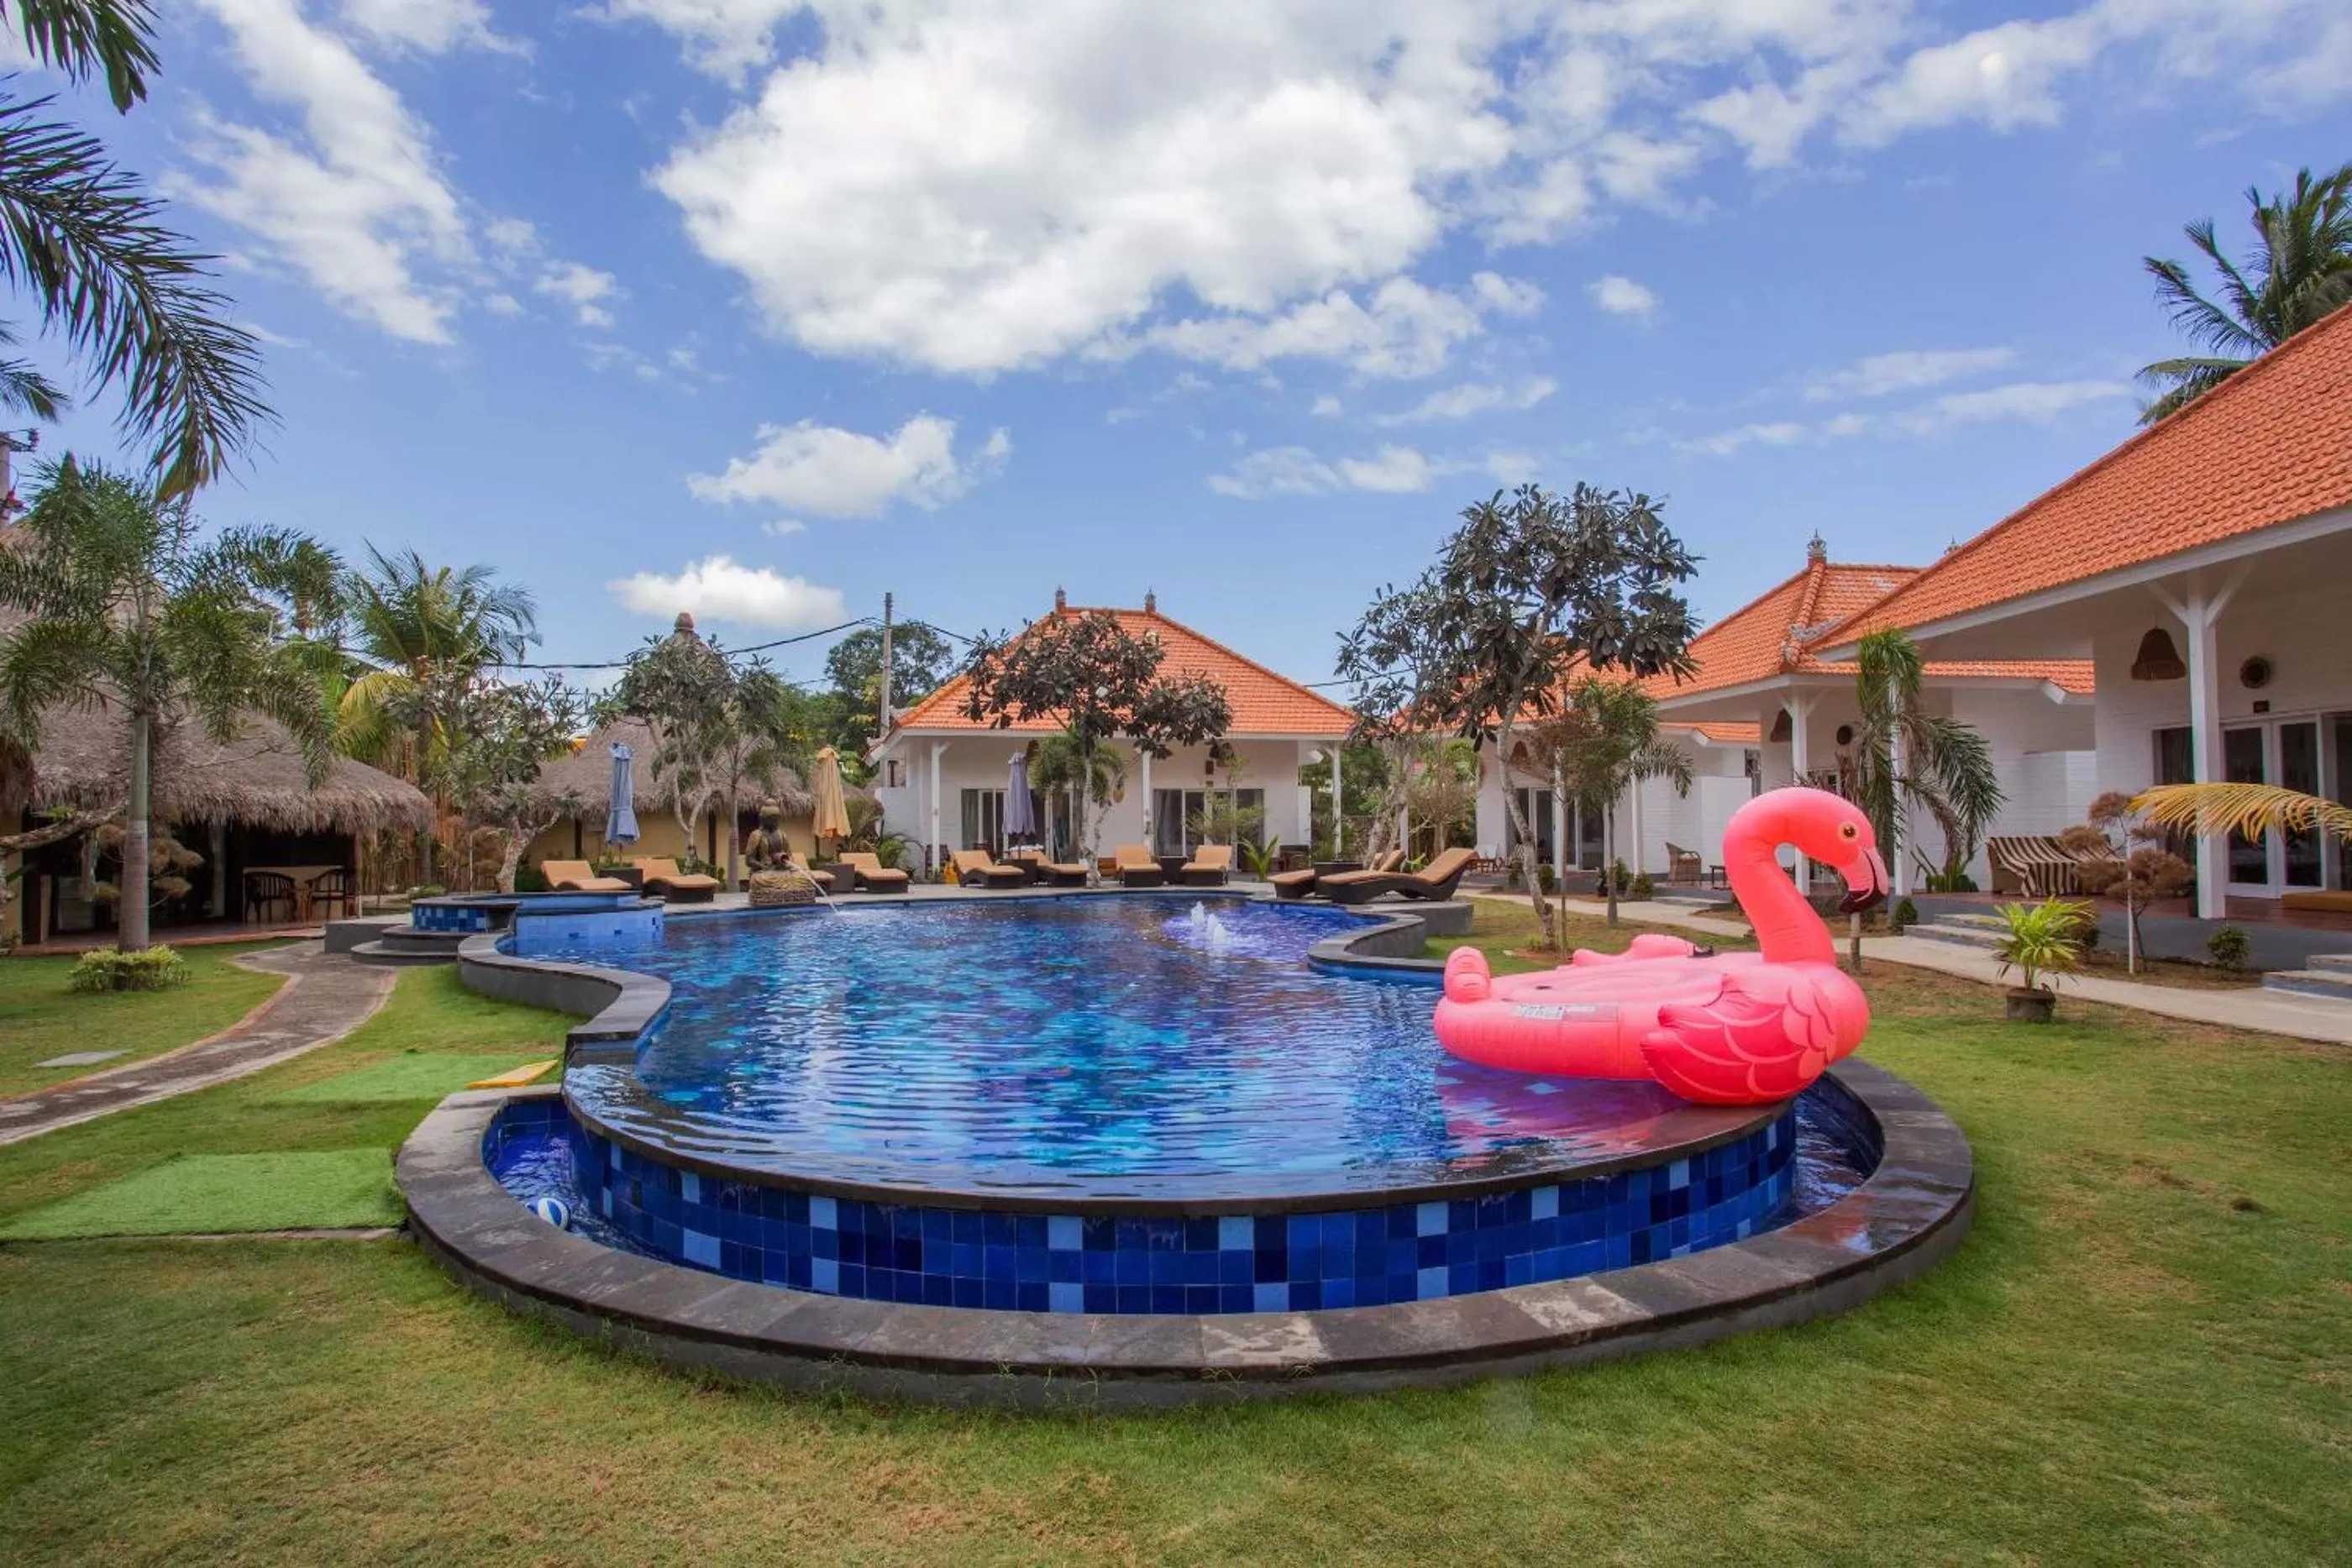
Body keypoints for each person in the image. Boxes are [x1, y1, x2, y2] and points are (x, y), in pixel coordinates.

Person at [743, 800, 796, 876]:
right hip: (764, 871)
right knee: (761, 879)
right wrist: (763, 866)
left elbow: (789, 856)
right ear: (763, 819)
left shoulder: (782, 835)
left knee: (799, 878)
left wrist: (786, 861)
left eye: (776, 818)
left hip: (780, 870)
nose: (774, 821)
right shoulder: (756, 835)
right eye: (772, 818)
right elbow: (749, 860)